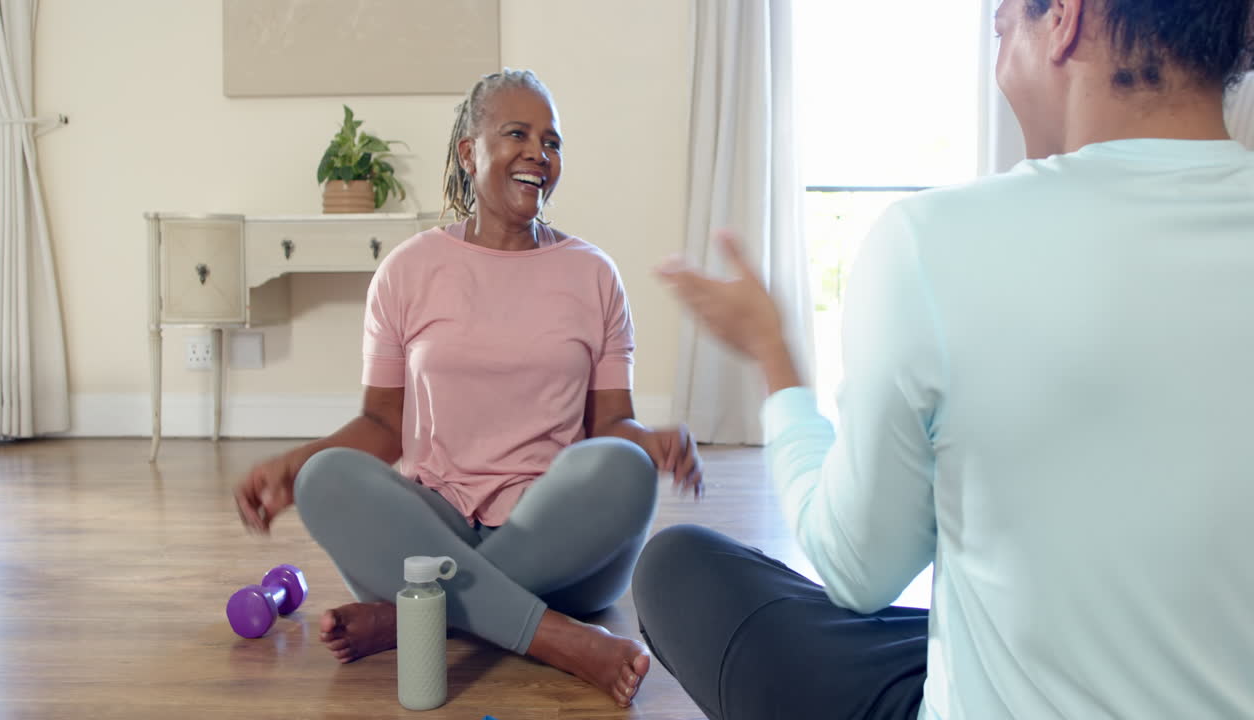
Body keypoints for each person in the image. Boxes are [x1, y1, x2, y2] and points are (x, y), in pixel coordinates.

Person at [633, 1, 1254, 718]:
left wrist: (774, 359)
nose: (995, 26)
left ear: (1065, 19)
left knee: (677, 568)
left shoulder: (932, 242)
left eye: (1004, 16)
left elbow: (856, 568)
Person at [234, 69, 702, 708]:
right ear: (468, 152)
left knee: (625, 468)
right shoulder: (408, 271)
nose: (540, 152)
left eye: (553, 141)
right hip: (437, 523)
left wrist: (651, 443)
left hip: (557, 542)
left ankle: (413, 618)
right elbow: (382, 423)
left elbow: (611, 426)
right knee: (324, 477)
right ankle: (561, 640)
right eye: (518, 133)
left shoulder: (594, 275)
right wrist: (294, 464)